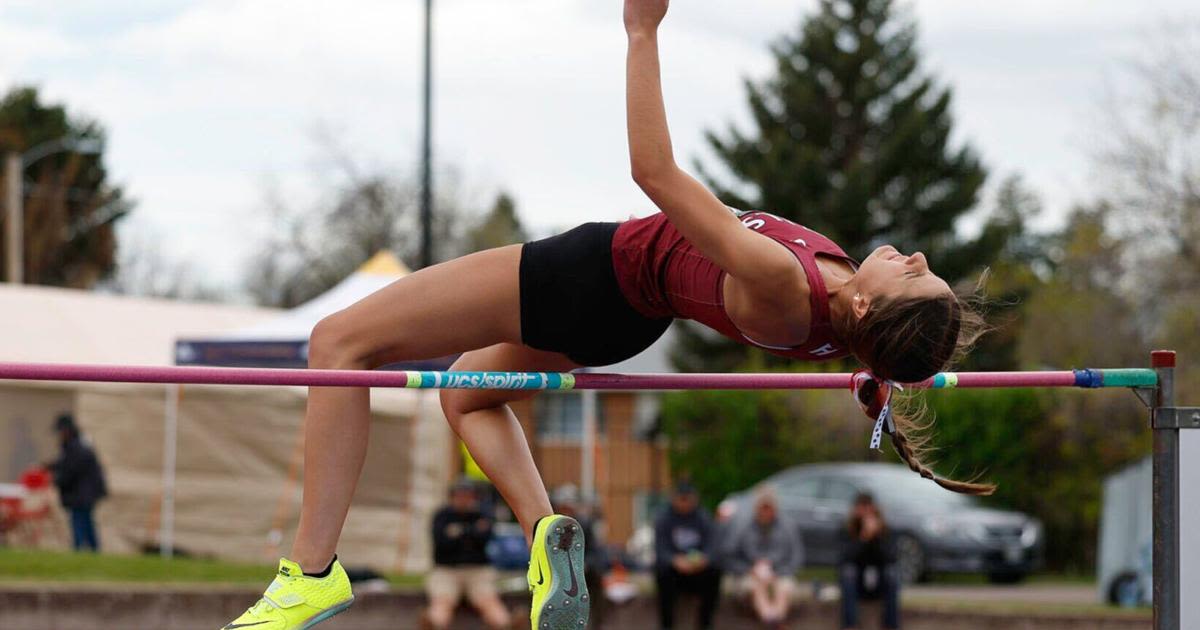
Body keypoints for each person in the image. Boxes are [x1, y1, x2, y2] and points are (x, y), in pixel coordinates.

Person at [224, 1, 986, 628]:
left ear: (865, 306)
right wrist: (874, 382)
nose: (918, 260)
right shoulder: (840, 313)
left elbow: (653, 173)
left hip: (590, 276)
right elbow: (869, 346)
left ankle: (311, 571)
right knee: (464, 393)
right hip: (627, 321)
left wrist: (642, 31)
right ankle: (542, 537)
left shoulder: (785, 285)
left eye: (917, 279)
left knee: (340, 342)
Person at [423, 480, 512, 630]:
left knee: (488, 601)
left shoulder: (482, 514)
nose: (464, 499)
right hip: (447, 570)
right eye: (460, 496)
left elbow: (484, 539)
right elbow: (443, 543)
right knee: (443, 602)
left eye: (468, 496)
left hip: (478, 571)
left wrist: (458, 533)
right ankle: (434, 624)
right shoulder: (442, 515)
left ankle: (506, 625)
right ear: (452, 497)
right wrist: (472, 531)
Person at [724, 486, 802, 628]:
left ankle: (775, 619)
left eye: (769, 507)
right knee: (756, 587)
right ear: (756, 507)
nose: (766, 512)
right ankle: (770, 619)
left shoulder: (787, 526)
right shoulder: (743, 526)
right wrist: (749, 569)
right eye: (763, 507)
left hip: (781, 571)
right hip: (750, 573)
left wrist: (777, 572)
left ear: (775, 508)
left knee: (783, 588)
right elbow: (729, 554)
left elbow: (796, 555)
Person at [654, 482, 721, 630]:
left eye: (687, 499)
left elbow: (714, 548)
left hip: (699, 571)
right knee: (662, 572)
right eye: (681, 499)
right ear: (674, 499)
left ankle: (705, 623)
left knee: (715, 571)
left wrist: (704, 559)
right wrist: (675, 560)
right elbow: (660, 551)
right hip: (674, 572)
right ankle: (667, 624)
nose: (684, 503)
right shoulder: (663, 519)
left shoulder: (704, 518)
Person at [550, 484, 610, 628]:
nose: (567, 511)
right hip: (556, 571)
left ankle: (597, 623)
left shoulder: (584, 524)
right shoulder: (550, 526)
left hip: (582, 570)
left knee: (596, 577)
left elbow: (595, 551)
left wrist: (584, 565)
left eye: (569, 508)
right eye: (563, 507)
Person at [45, 413, 107, 551]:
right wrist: (49, 467)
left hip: (82, 493)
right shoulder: (78, 444)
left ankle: (79, 549)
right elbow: (65, 463)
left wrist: (55, 479)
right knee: (86, 522)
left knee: (79, 522)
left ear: (66, 430)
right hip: (85, 492)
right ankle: (93, 549)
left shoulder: (76, 447)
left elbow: (71, 470)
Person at [839, 493, 899, 630]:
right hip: (856, 583)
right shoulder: (846, 530)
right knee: (848, 572)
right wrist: (863, 538)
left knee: (892, 573)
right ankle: (850, 625)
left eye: (868, 507)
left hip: (879, 582)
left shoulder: (886, 531)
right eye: (862, 507)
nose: (866, 513)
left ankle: (890, 625)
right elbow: (845, 558)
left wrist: (877, 537)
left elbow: (891, 558)